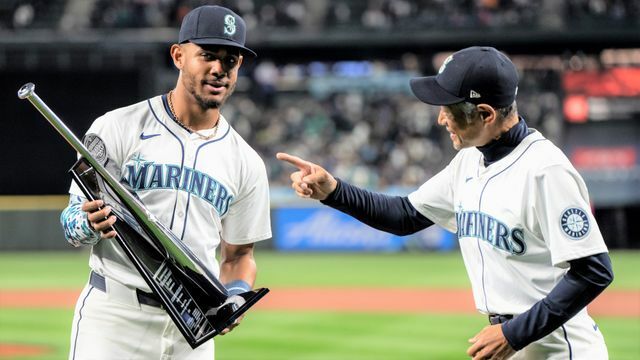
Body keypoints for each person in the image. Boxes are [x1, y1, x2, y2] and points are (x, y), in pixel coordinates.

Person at [277, 46, 613, 359]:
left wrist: (514, 333)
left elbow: (593, 271)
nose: (440, 119)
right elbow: (405, 215)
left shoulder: (546, 170)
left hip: (559, 349)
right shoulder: (469, 161)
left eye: (449, 108)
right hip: (511, 341)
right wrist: (333, 191)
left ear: (485, 113)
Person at [60, 5, 271, 359]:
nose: (219, 69)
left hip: (193, 329)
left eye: (230, 60)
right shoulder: (117, 127)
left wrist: (235, 293)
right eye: (207, 55)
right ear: (178, 55)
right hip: (114, 317)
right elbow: (69, 223)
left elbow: (239, 255)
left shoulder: (246, 162)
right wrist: (87, 222)